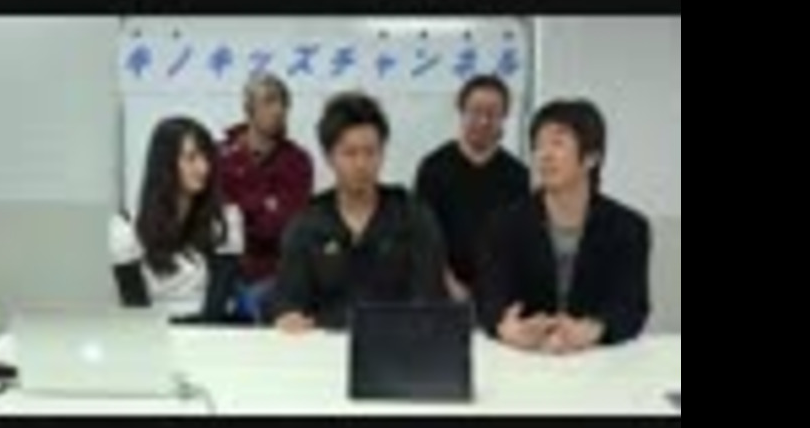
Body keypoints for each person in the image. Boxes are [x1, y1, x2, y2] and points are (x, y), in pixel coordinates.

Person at [475, 99, 652, 353]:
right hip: (524, 358)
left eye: (557, 144)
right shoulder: (504, 224)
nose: (544, 155)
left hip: (596, 359)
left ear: (591, 157)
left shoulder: (628, 228)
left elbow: (631, 307)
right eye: (538, 146)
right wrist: (507, 328)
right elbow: (489, 299)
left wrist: (593, 330)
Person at [268, 92, 447, 334]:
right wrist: (289, 316)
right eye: (350, 153)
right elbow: (289, 299)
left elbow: (429, 299)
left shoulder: (412, 216)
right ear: (329, 157)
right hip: (324, 343)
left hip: (397, 343)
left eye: (370, 152)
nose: (361, 164)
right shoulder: (307, 224)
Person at [110, 117, 243, 321]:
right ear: (165, 164)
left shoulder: (225, 219)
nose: (204, 168)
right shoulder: (126, 227)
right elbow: (136, 308)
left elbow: (217, 304)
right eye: (191, 158)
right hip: (154, 332)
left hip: (212, 331)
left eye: (207, 157)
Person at [415, 75, 530, 302]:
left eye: (493, 113)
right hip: (442, 292)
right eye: (476, 111)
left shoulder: (518, 175)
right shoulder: (433, 168)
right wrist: (448, 283)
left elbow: (521, 241)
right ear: (461, 111)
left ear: (504, 117)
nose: (483, 121)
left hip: (500, 293)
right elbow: (423, 235)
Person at [219, 72, 314, 319]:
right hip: (225, 273)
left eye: (284, 102)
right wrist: (265, 205)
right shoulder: (222, 155)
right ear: (248, 108)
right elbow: (219, 225)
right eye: (269, 101)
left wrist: (244, 211)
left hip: (273, 275)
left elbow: (288, 227)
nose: (279, 110)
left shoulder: (297, 161)